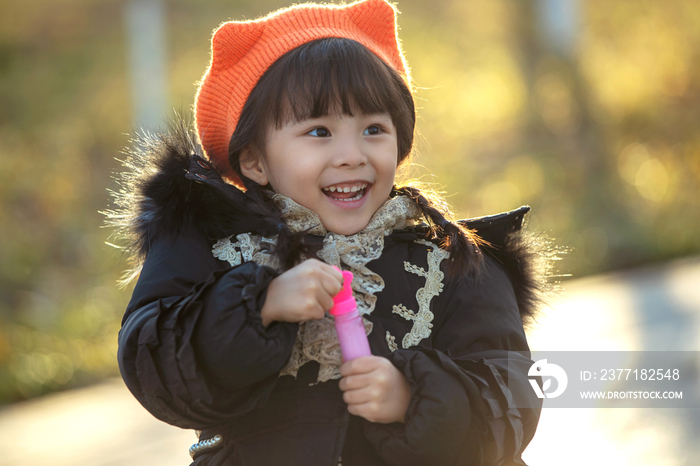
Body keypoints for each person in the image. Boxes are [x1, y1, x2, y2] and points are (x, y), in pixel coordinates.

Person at [108, 0, 547, 464]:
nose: (351, 154)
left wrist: (413, 396)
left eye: (374, 129)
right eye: (319, 132)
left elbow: (513, 395)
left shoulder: (452, 264)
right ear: (255, 160)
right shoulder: (213, 253)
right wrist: (257, 304)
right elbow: (153, 364)